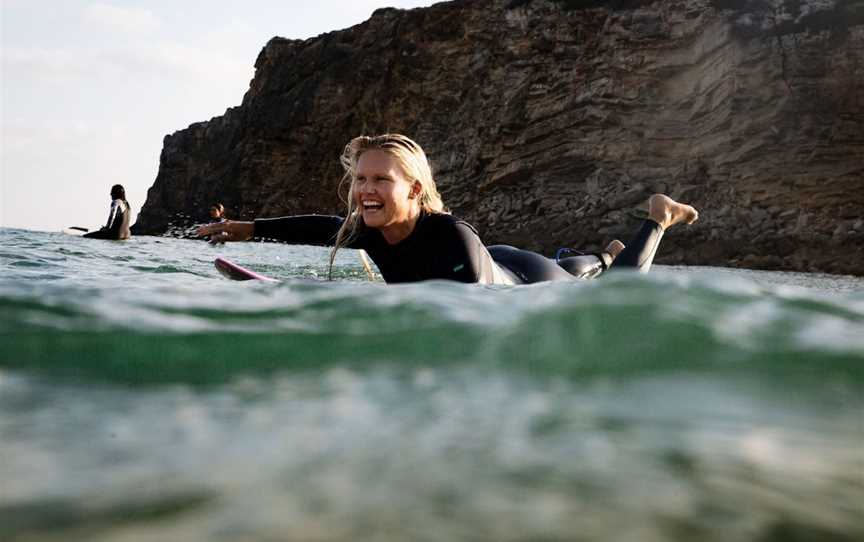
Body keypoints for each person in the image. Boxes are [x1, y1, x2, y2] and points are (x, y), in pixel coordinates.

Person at [197, 134, 697, 284]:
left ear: (415, 191)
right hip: (496, 255)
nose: (366, 190)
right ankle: (601, 255)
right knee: (580, 264)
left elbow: (477, 313)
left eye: (381, 180)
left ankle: (656, 218)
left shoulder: (448, 234)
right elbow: (321, 227)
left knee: (615, 286)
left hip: (525, 282)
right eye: (360, 180)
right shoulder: (368, 226)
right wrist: (247, 228)